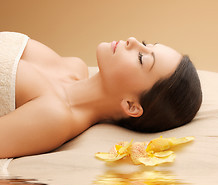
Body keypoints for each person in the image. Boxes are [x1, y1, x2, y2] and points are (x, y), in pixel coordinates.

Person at [0, 32, 202, 158]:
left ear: (131, 105)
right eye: (144, 43)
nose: (132, 41)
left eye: (141, 58)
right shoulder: (73, 66)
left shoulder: (54, 117)